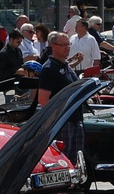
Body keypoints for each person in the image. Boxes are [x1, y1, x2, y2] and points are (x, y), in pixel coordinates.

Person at [37, 33, 87, 180]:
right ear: (53, 46)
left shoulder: (65, 66)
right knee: (62, 161)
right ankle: (61, 190)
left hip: (75, 118)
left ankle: (73, 187)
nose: (67, 48)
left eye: (68, 44)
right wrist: (57, 119)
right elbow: (43, 99)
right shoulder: (49, 69)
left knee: (76, 160)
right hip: (62, 122)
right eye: (63, 45)